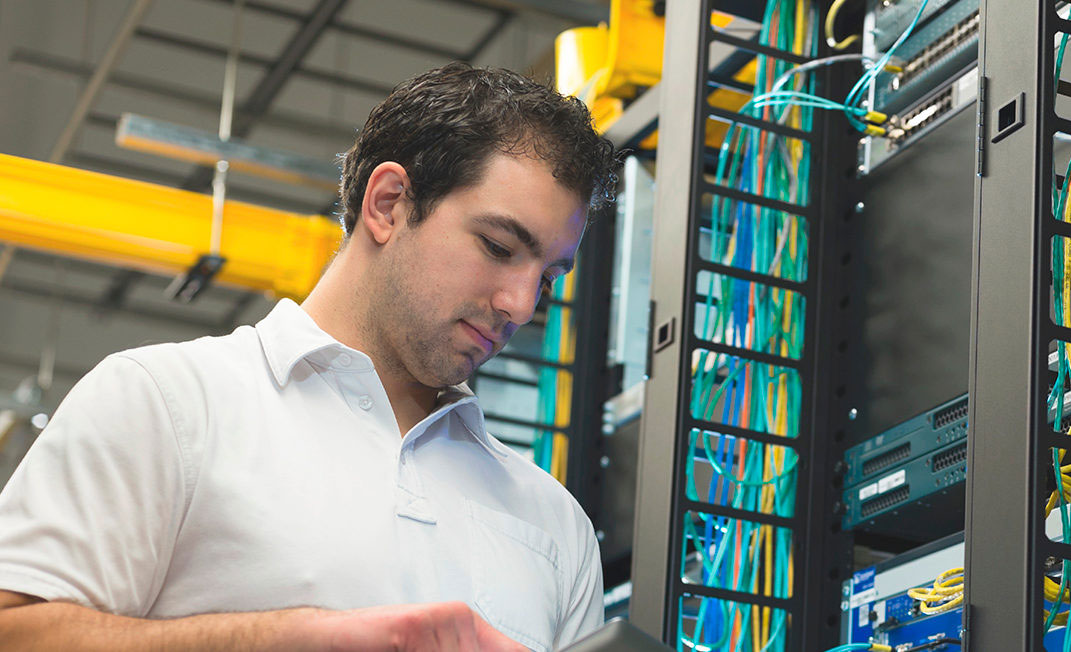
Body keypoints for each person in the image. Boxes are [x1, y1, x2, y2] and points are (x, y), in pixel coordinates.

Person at [0, 62, 618, 651]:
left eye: (550, 277)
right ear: (388, 204)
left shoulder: (555, 525)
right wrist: (283, 639)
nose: (520, 304)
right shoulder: (167, 404)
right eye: (498, 245)